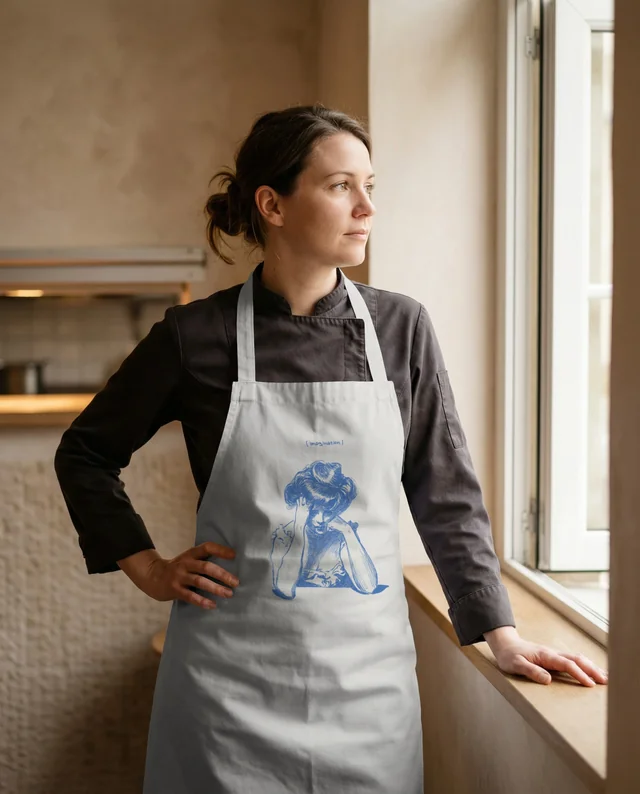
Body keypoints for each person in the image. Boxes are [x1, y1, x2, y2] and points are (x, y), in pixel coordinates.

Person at [54, 104, 608, 794]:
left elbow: (445, 494)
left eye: (369, 186)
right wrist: (148, 569)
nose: (367, 207)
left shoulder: (401, 327)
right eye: (341, 186)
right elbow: (85, 452)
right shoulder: (195, 337)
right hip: (226, 695)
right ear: (272, 205)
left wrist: (503, 634)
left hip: (367, 694)